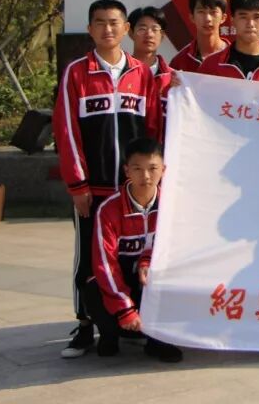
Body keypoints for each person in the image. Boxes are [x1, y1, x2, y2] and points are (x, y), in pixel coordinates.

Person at [53, 0, 157, 358]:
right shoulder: (77, 73)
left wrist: (153, 178)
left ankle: (129, 320)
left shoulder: (141, 74)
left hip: (134, 190)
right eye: (100, 23)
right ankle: (85, 326)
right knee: (88, 258)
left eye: (114, 23)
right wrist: (78, 184)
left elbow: (153, 129)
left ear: (126, 29)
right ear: (90, 29)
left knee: (136, 254)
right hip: (94, 190)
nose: (107, 29)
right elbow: (67, 130)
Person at [82, 137, 182, 362]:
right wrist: (124, 308)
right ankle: (109, 335)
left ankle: (158, 341)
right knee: (93, 286)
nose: (145, 176)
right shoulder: (109, 209)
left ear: (163, 170)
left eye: (152, 168)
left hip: (149, 279)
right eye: (137, 169)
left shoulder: (172, 205)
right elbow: (105, 263)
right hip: (121, 278)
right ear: (127, 170)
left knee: (172, 278)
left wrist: (147, 260)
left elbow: (177, 248)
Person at [128, 6, 174, 140]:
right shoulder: (120, 76)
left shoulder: (174, 78)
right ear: (130, 32)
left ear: (162, 35)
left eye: (155, 29)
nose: (149, 34)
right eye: (142, 29)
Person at [170, 0, 228, 72]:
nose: (207, 19)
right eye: (201, 12)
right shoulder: (179, 61)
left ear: (223, 18)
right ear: (192, 17)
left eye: (213, 12)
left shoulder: (235, 58)